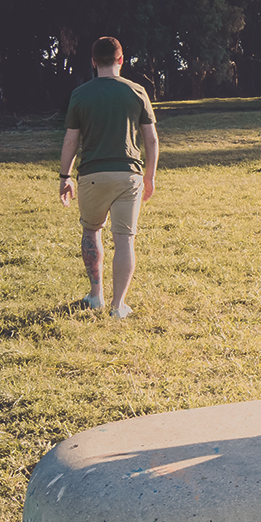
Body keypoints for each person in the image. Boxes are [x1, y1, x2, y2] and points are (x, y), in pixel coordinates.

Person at [58, 37, 159, 319]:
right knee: (125, 239)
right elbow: (151, 140)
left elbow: (70, 141)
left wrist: (65, 176)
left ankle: (95, 296)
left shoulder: (80, 94)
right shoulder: (137, 91)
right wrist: (149, 176)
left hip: (91, 175)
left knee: (92, 232)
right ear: (121, 59)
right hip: (129, 176)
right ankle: (118, 306)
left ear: (93, 62)